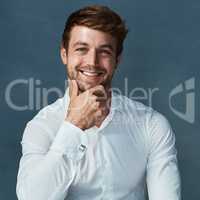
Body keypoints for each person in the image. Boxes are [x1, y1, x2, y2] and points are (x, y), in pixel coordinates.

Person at [16, 5, 181, 200]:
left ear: (117, 60)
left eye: (104, 52)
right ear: (64, 55)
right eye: (81, 49)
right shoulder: (41, 127)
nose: (92, 62)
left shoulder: (151, 124)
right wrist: (74, 126)